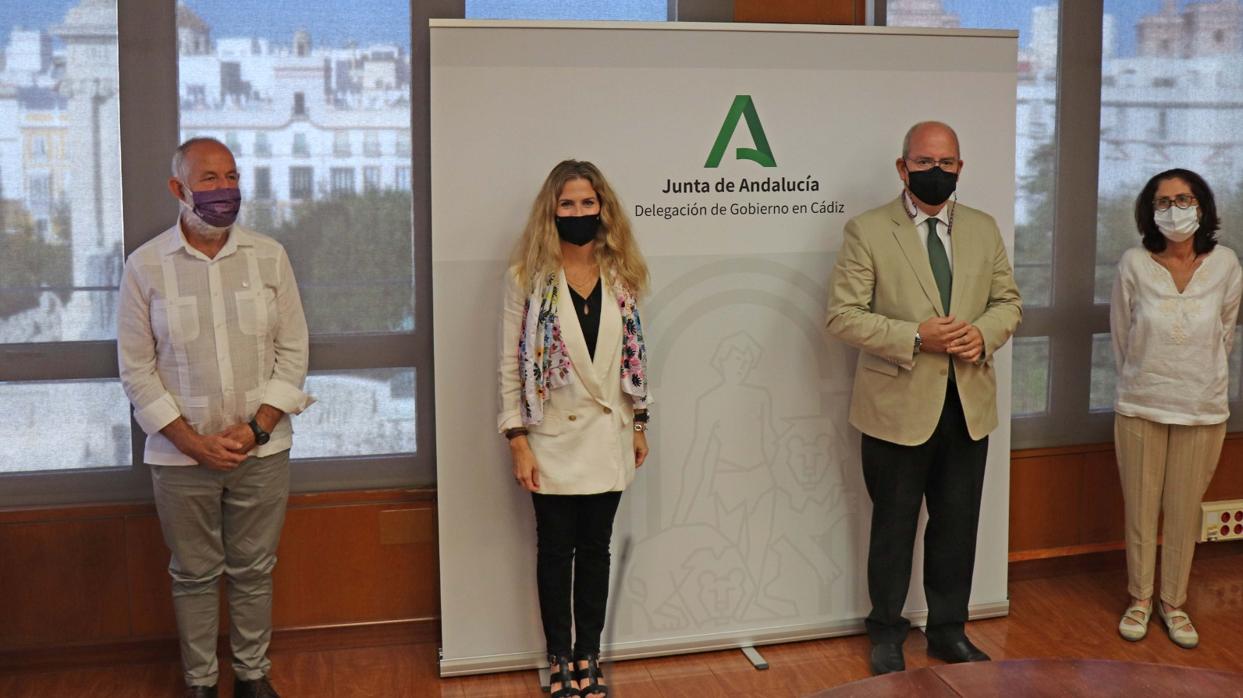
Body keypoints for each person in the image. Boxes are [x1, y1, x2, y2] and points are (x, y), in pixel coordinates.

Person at [117, 137, 314, 698]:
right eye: (208, 179)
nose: (224, 189)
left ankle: (253, 678)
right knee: (194, 573)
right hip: (180, 457)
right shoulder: (145, 266)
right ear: (179, 189)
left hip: (263, 450)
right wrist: (193, 443)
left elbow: (294, 351)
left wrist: (256, 430)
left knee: (254, 570)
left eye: (231, 176)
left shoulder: (269, 256)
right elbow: (135, 369)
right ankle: (200, 683)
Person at [824, 122, 1022, 675]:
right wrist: (916, 336)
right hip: (896, 410)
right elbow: (843, 315)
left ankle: (948, 632)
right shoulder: (867, 230)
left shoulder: (983, 228)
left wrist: (982, 333)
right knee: (893, 527)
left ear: (961, 167)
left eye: (948, 163)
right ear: (902, 166)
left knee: (957, 526)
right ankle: (886, 633)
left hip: (968, 406)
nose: (937, 172)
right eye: (925, 162)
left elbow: (1008, 300)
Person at [497, 160, 651, 698]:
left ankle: (590, 655)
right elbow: (509, 367)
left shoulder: (622, 274)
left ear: (602, 209)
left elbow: (633, 358)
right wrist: (517, 440)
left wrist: (640, 423)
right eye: (568, 205)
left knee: (597, 550)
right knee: (555, 552)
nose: (579, 214)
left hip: (609, 437)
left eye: (588, 204)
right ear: (551, 211)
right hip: (550, 440)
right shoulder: (526, 278)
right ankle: (559, 658)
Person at [1111, 169, 1241, 650]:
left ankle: (1174, 603)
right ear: (1151, 213)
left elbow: (1226, 334)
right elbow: (1123, 336)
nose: (1174, 209)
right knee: (1141, 511)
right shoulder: (1133, 263)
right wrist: (1147, 376)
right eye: (1163, 202)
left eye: (1183, 199)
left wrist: (1195, 376)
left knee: (1184, 512)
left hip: (1202, 407)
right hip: (1140, 404)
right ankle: (1140, 600)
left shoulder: (1226, 264)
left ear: (1201, 206)